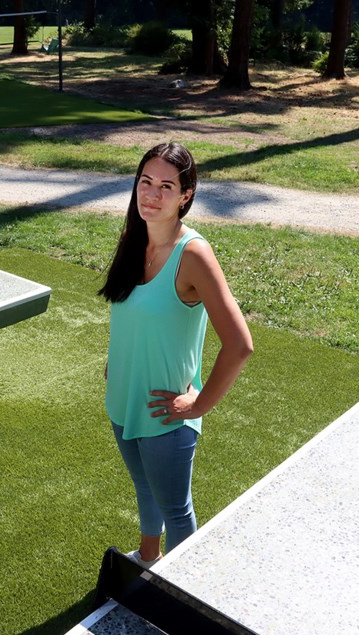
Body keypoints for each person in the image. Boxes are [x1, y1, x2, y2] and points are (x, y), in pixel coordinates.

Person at [98, 142, 254, 568]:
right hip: (123, 399)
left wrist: (199, 404)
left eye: (166, 186)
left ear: (186, 196)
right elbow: (131, 314)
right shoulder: (134, 238)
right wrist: (117, 363)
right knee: (144, 489)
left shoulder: (194, 255)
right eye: (145, 182)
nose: (152, 194)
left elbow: (240, 344)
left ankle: (183, 597)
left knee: (176, 511)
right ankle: (148, 556)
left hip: (165, 415)